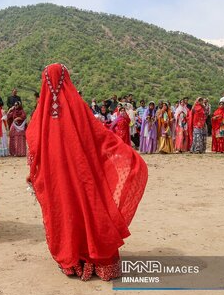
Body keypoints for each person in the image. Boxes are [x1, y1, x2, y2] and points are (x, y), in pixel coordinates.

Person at [26, 63, 148, 281]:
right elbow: (100, 136)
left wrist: (33, 171)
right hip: (82, 173)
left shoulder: (41, 114)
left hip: (56, 176)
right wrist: (125, 154)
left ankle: (73, 256)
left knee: (65, 209)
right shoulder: (78, 107)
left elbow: (33, 143)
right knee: (88, 207)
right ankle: (93, 256)